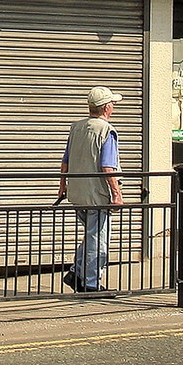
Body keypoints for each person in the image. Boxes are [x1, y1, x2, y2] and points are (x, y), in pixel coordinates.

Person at [58, 86, 123, 295]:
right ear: (106, 107)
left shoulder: (76, 128)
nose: (113, 107)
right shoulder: (107, 131)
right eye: (112, 103)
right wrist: (116, 193)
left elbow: (65, 161)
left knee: (91, 235)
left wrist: (62, 187)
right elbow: (107, 167)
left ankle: (76, 273)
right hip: (97, 195)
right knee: (99, 240)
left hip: (78, 193)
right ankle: (91, 284)